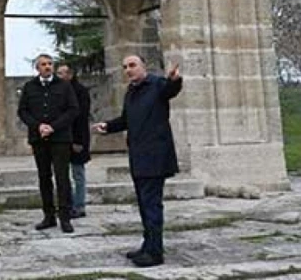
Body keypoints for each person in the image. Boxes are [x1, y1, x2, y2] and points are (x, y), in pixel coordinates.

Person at [93, 54, 182, 267]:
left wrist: (174, 80)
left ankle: (155, 253)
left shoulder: (158, 85)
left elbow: (171, 90)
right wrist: (108, 126)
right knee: (144, 204)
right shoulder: (131, 92)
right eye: (125, 67)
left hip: (155, 156)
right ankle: (147, 245)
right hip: (138, 157)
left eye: (132, 65)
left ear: (143, 66)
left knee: (152, 205)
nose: (128, 70)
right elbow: (126, 120)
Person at [17, 54, 79, 233]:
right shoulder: (30, 87)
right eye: (43, 64)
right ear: (37, 68)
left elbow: (73, 109)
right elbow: (23, 111)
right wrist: (38, 126)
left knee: (62, 177)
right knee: (44, 178)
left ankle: (65, 217)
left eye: (50, 64)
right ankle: (48, 216)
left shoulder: (64, 86)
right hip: (39, 139)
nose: (47, 67)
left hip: (60, 138)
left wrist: (53, 126)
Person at [56, 64, 91, 218]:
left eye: (63, 73)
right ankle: (67, 205)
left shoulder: (81, 92)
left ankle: (79, 205)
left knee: (78, 173)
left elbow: (81, 118)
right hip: (62, 139)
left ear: (71, 74)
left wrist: (79, 141)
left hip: (77, 138)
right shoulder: (58, 91)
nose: (60, 76)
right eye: (58, 73)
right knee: (63, 174)